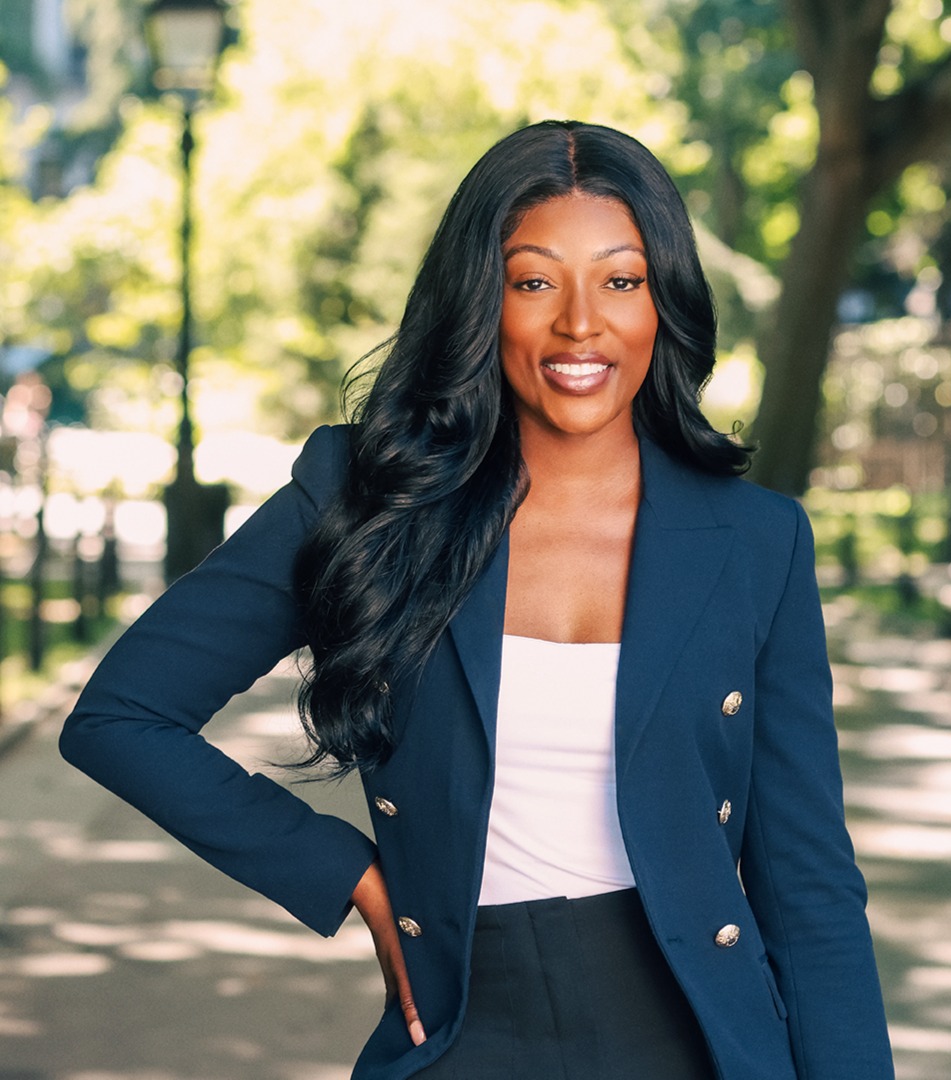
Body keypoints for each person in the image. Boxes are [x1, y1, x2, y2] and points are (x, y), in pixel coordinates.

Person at [60, 120, 894, 1080]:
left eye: (621, 280)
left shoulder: (757, 541)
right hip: (462, 1036)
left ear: (663, 300)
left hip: (706, 1040)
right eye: (534, 281)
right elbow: (123, 716)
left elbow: (809, 885)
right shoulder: (364, 497)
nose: (581, 323)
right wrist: (351, 877)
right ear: (479, 300)